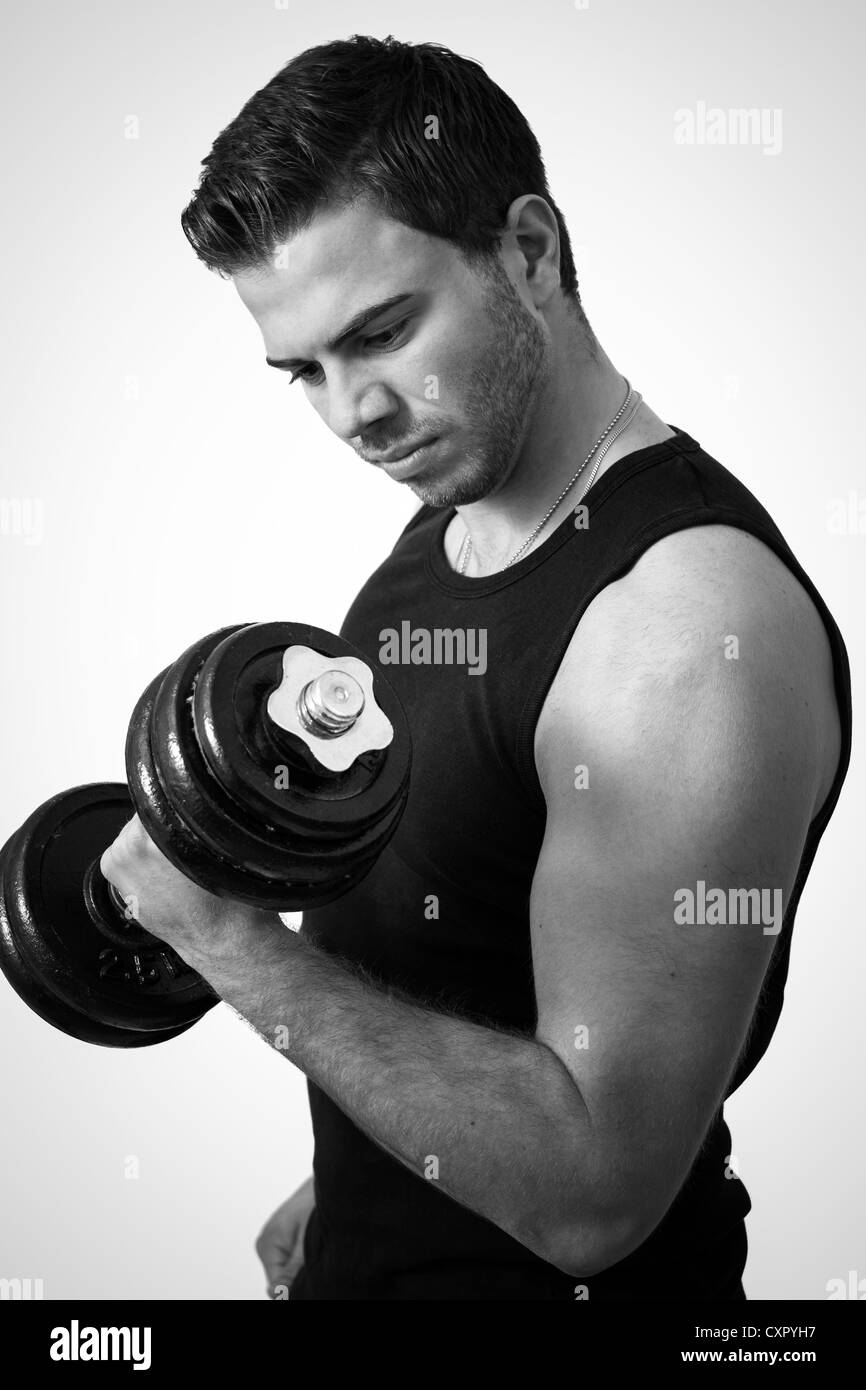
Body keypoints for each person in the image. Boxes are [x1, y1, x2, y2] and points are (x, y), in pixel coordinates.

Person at [102, 35, 851, 1300]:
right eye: (306, 372)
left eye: (383, 332)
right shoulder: (449, 525)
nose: (353, 412)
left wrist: (226, 939)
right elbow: (471, 947)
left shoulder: (681, 625)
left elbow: (594, 1188)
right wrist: (367, 1170)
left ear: (528, 251)